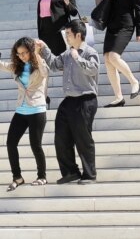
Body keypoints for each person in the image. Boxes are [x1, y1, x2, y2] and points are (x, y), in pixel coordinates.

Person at [40, 19, 102, 185]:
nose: (66, 37)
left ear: (78, 35)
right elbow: (53, 65)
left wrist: (78, 58)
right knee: (61, 137)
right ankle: (70, 172)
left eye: (68, 34)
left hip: (85, 99)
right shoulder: (67, 53)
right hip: (69, 101)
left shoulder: (90, 52)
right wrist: (44, 49)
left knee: (83, 138)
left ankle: (89, 175)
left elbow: (93, 69)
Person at [0, 36, 50, 190]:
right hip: (21, 110)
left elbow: (45, 72)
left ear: (31, 50)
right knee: (11, 143)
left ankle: (42, 176)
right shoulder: (17, 66)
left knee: (35, 145)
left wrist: (37, 54)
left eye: (25, 52)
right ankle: (17, 177)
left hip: (37, 109)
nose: (22, 56)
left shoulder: (39, 64)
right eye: (19, 53)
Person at [101, 0, 140, 107]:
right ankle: (118, 97)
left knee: (113, 56)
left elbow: (138, 8)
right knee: (107, 59)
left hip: (126, 25)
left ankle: (134, 81)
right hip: (111, 26)